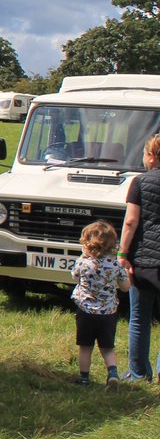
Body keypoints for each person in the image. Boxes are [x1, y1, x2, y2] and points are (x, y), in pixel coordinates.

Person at [119, 133, 160, 383]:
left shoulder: (140, 182)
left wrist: (123, 254)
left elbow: (131, 221)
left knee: (139, 319)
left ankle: (138, 373)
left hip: (144, 261)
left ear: (151, 156)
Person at [71, 220, 130, 385]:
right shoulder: (115, 266)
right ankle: (112, 373)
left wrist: (83, 257)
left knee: (85, 347)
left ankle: (84, 378)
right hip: (108, 313)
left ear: (87, 244)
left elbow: (74, 276)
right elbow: (125, 288)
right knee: (108, 347)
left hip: (86, 312)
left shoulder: (83, 263)